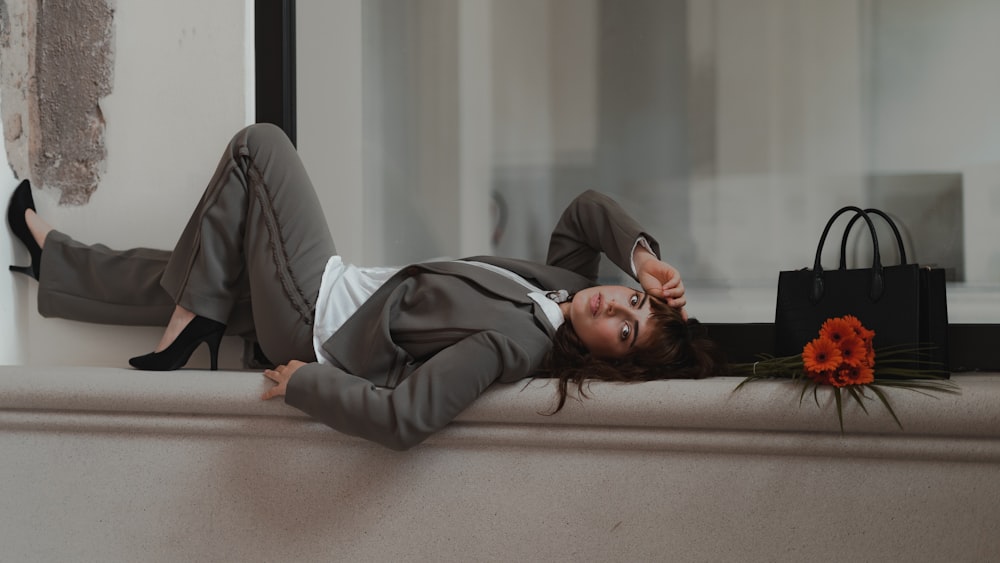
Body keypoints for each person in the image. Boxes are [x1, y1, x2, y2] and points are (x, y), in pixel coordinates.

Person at [7, 123, 724, 450]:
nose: (614, 306)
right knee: (201, 265)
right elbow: (585, 210)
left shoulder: (517, 344)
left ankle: (189, 322)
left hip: (316, 317)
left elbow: (405, 417)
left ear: (606, 356)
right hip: (337, 291)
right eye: (631, 302)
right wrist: (642, 258)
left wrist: (303, 385)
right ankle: (51, 255)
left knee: (262, 149)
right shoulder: (564, 283)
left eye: (625, 331)